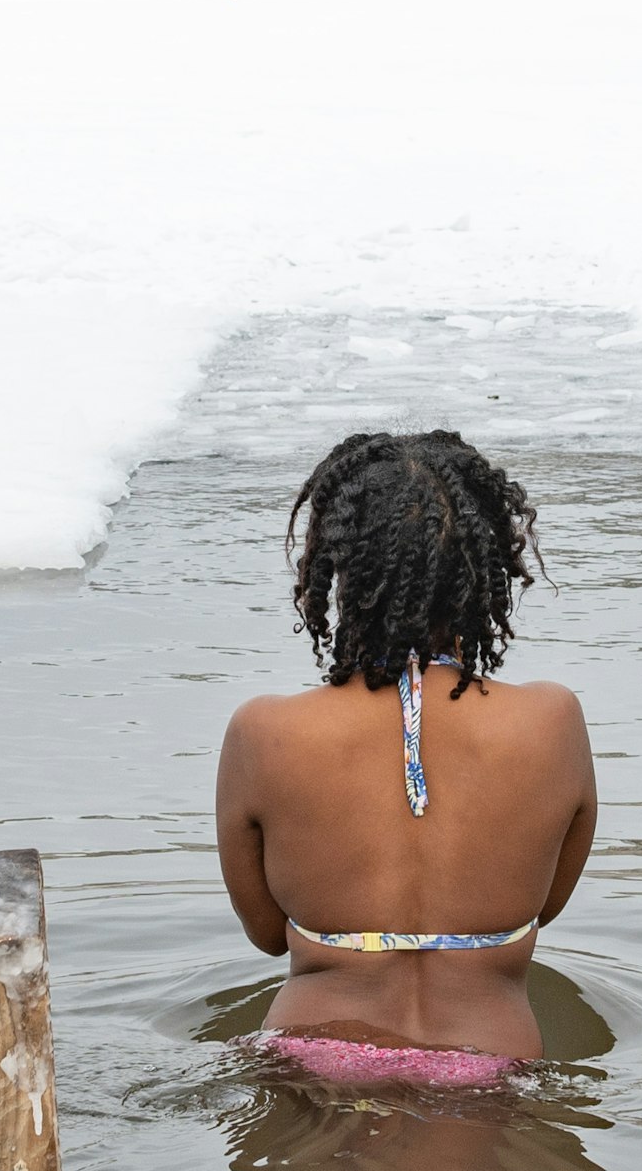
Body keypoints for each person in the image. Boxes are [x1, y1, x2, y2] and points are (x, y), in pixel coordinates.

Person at [215, 431, 597, 1083]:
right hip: (491, 1067)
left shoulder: (265, 733)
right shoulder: (551, 723)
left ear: (337, 566)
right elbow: (544, 906)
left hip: (307, 1062)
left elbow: (266, 932)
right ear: (489, 565)